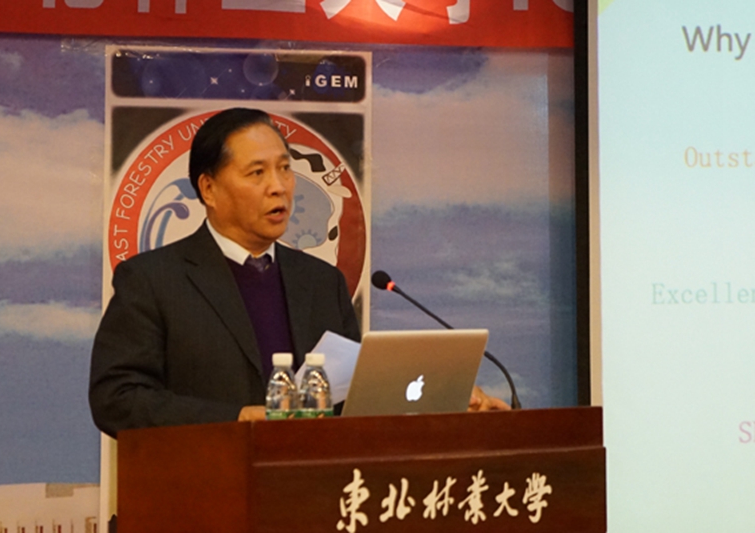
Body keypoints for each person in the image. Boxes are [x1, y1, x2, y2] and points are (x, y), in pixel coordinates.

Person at [89, 108, 507, 437]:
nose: (279, 186)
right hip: (205, 495)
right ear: (209, 189)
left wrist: (446, 402)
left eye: (285, 169)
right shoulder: (153, 280)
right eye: (257, 173)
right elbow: (116, 399)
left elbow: (354, 400)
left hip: (308, 496)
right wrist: (238, 418)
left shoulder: (321, 282)